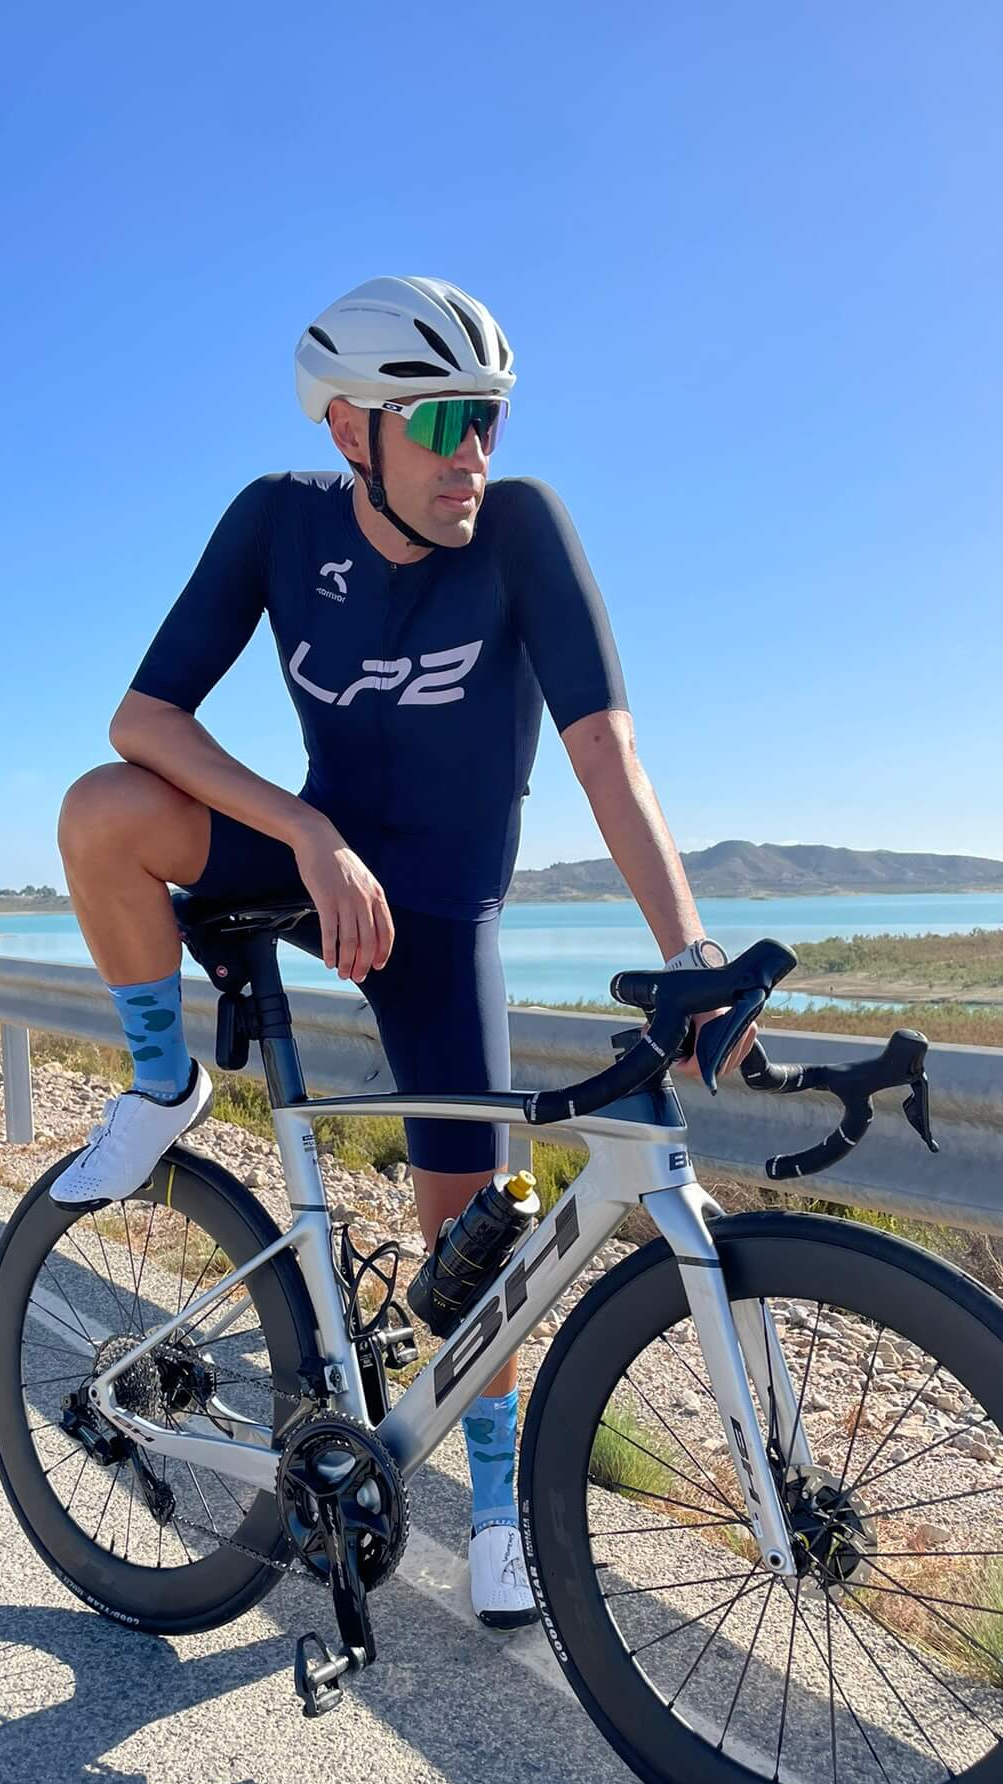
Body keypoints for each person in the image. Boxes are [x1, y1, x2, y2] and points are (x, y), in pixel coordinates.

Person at [52, 275, 752, 1627]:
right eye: (439, 421)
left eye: (488, 417)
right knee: (102, 810)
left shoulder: (523, 529)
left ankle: (491, 1512)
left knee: (473, 1246)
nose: (471, 451)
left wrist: (691, 943)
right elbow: (146, 719)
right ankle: (160, 1085)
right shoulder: (279, 521)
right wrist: (307, 831)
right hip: (319, 866)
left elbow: (606, 752)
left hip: (441, 915)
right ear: (349, 430)